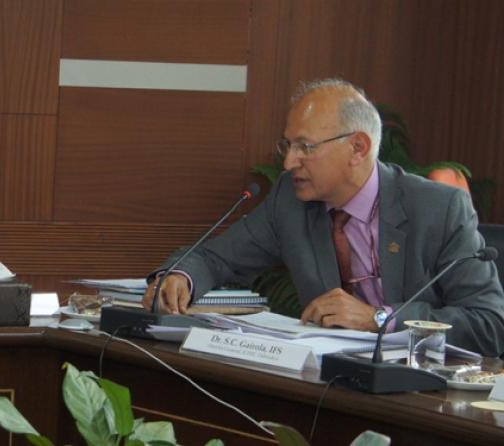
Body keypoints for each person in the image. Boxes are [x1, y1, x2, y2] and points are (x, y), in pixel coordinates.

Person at [142, 78, 504, 356]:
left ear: (358, 148)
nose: (289, 162)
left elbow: (489, 324)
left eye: (305, 147)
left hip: (423, 390)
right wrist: (180, 277)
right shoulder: (290, 200)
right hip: (329, 383)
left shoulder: (438, 209)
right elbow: (216, 257)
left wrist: (380, 319)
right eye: (288, 145)